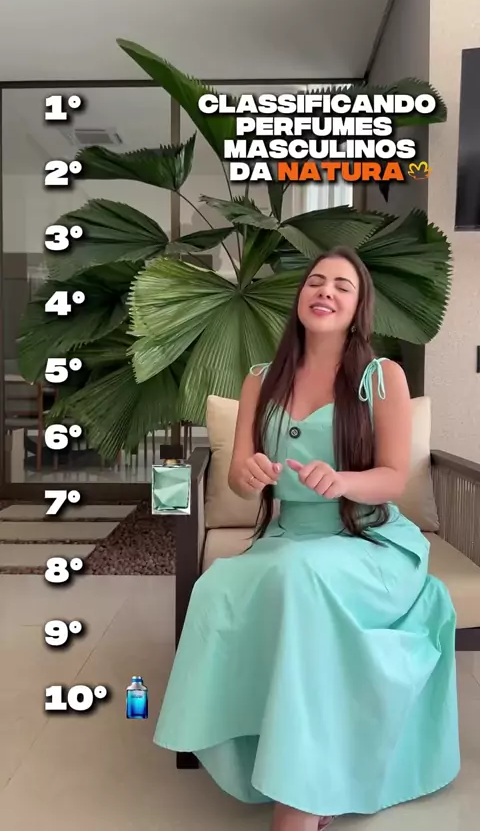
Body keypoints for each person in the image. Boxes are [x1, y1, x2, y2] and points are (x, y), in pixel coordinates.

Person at [154, 247, 460, 831]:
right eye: (316, 281)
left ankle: (301, 797)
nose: (325, 291)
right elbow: (239, 477)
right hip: (288, 536)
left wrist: (342, 480)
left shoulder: (381, 377)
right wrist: (247, 475)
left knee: (302, 580)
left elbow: (393, 476)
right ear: (300, 298)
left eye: (342, 285)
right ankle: (253, 751)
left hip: (367, 540)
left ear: (359, 307)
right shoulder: (259, 380)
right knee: (217, 588)